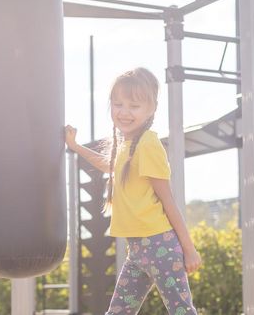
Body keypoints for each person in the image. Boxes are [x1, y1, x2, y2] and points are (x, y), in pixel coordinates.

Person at [65, 67, 201, 315]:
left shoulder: (148, 143)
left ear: (151, 109)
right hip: (137, 250)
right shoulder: (127, 144)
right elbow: (109, 164)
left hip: (160, 244)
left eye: (134, 106)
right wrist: (75, 146)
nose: (124, 112)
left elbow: (168, 200)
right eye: (118, 104)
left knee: (181, 311)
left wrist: (188, 248)